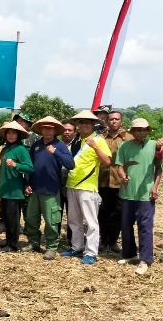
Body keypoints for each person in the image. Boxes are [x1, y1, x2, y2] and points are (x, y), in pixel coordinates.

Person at [61, 110, 111, 265]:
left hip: (88, 187)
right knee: (73, 220)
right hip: (72, 184)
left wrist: (95, 147)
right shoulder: (76, 141)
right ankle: (76, 247)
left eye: (87, 123)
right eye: (81, 122)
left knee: (91, 222)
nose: (83, 125)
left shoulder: (99, 140)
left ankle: (91, 252)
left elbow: (107, 162)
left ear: (92, 125)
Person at [23, 117, 75, 260]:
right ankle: (33, 242)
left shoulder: (59, 145)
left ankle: (51, 247)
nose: (47, 131)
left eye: (50, 128)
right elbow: (29, 166)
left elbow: (70, 164)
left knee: (52, 220)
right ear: (41, 130)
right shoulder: (36, 145)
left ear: (54, 131)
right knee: (32, 218)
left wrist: (56, 152)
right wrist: (26, 183)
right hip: (35, 188)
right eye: (44, 128)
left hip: (51, 189)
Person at [116, 119, 161, 275]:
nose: (141, 132)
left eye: (144, 129)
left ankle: (145, 260)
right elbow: (119, 165)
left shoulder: (154, 145)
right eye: (138, 130)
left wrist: (155, 187)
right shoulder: (124, 146)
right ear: (132, 132)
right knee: (126, 226)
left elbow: (158, 168)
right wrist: (122, 176)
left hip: (145, 195)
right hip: (127, 193)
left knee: (145, 228)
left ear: (148, 130)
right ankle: (130, 254)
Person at [0, 121, 34, 253]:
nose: (11, 135)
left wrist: (16, 165)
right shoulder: (6, 149)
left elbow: (29, 167)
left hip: (15, 190)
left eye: (13, 133)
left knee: (13, 219)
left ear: (18, 135)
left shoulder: (21, 149)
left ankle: (13, 245)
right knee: (6, 218)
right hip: (5, 189)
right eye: (8, 133)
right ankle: (8, 241)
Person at [98, 110, 132, 254]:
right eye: (111, 119)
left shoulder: (128, 138)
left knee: (118, 213)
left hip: (120, 182)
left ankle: (113, 241)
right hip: (102, 181)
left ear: (121, 122)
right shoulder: (100, 138)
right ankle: (103, 240)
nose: (114, 122)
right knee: (103, 212)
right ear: (107, 121)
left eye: (116, 119)